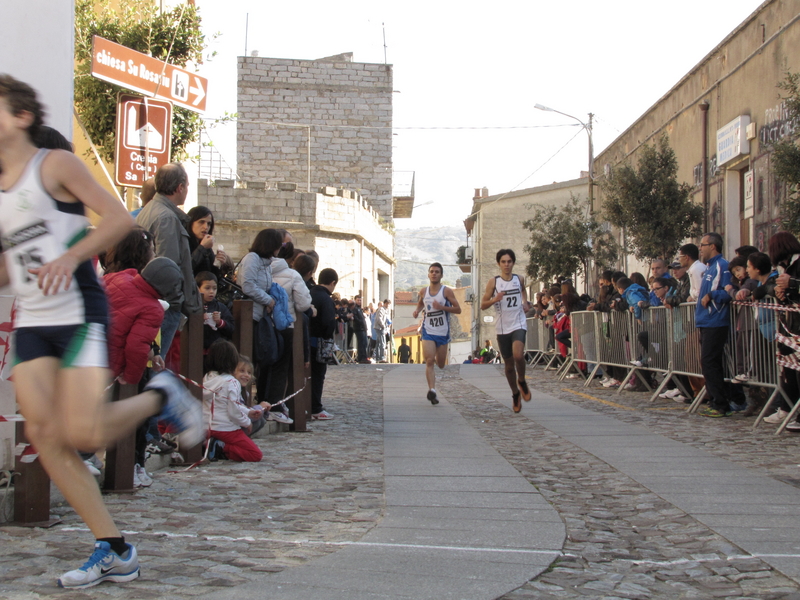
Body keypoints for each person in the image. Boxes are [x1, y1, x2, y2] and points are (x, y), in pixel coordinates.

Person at [0, 74, 203, 588]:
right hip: (32, 321)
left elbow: (119, 220)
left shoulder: (54, 165)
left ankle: (161, 397)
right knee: (47, 438)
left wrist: (70, 257)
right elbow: (10, 267)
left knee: (84, 433)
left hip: (76, 311)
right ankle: (115, 549)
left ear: (21, 115)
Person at [136, 163, 202, 364]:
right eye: (187, 186)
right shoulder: (166, 218)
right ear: (180, 187)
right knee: (154, 365)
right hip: (163, 305)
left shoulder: (150, 210)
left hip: (153, 300)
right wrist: (176, 301)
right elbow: (167, 268)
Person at [695, 232, 746, 417]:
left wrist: (712, 295)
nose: (700, 248)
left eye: (703, 244)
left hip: (716, 321)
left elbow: (728, 292)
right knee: (711, 362)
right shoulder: (709, 268)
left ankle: (720, 403)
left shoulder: (722, 266)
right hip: (706, 321)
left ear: (713, 246)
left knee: (710, 361)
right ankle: (723, 399)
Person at [480, 250, 531, 412]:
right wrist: (495, 299)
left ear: (513, 263)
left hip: (518, 323)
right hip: (502, 327)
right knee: (509, 366)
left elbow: (523, 291)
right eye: (503, 262)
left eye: (509, 261)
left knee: (518, 355)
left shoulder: (519, 279)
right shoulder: (494, 282)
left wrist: (525, 302)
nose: (506, 265)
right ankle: (515, 393)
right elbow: (483, 305)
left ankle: (521, 380)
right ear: (498, 264)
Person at [237, 228, 282, 406]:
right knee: (250, 357)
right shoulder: (252, 259)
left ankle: (260, 398)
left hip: (261, 315)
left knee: (264, 357)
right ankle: (243, 399)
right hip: (250, 315)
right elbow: (247, 285)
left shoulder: (267, 263)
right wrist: (268, 300)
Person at [267, 242, 312, 421]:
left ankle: (264, 402)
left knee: (265, 367)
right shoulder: (292, 275)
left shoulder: (262, 271)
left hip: (264, 324)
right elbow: (303, 303)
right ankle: (275, 405)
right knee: (281, 367)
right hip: (286, 324)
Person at [203, 340, 263, 462]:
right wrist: (247, 422)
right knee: (255, 454)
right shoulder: (231, 382)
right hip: (224, 429)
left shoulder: (208, 377)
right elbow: (233, 410)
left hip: (206, 426)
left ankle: (214, 444)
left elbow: (224, 403)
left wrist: (247, 412)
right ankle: (222, 448)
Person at [414, 262, 462, 405]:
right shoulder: (423, 291)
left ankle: (433, 387)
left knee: (441, 364)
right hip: (428, 330)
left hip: (442, 332)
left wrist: (441, 307)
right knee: (429, 360)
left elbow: (458, 309)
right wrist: (417, 310)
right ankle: (432, 390)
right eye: (432, 271)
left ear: (441, 275)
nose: (434, 274)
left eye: (437, 272)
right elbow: (421, 303)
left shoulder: (446, 291)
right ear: (428, 274)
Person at [309, 268, 339, 419]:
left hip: (306, 340)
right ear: (333, 283)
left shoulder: (310, 293)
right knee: (318, 375)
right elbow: (328, 323)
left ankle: (307, 405)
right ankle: (315, 407)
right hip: (320, 342)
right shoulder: (326, 299)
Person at [186, 205, 232, 278]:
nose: (206, 227)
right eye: (201, 222)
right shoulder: (183, 243)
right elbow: (185, 268)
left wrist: (218, 263)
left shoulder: (207, 248)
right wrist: (202, 248)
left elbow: (212, 278)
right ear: (191, 222)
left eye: (209, 224)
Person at [196, 271, 234, 351]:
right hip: (195, 348)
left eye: (214, 288)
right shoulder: (192, 306)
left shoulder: (221, 307)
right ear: (197, 288)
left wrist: (220, 322)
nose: (211, 291)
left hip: (215, 350)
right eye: (207, 288)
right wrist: (198, 318)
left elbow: (232, 328)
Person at [351, 295, 369, 363]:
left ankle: (363, 357)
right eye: (358, 300)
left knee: (364, 343)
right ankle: (362, 358)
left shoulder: (359, 309)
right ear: (355, 300)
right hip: (359, 328)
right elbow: (355, 318)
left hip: (362, 328)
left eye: (360, 300)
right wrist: (361, 322)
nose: (359, 301)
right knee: (361, 343)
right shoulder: (355, 309)